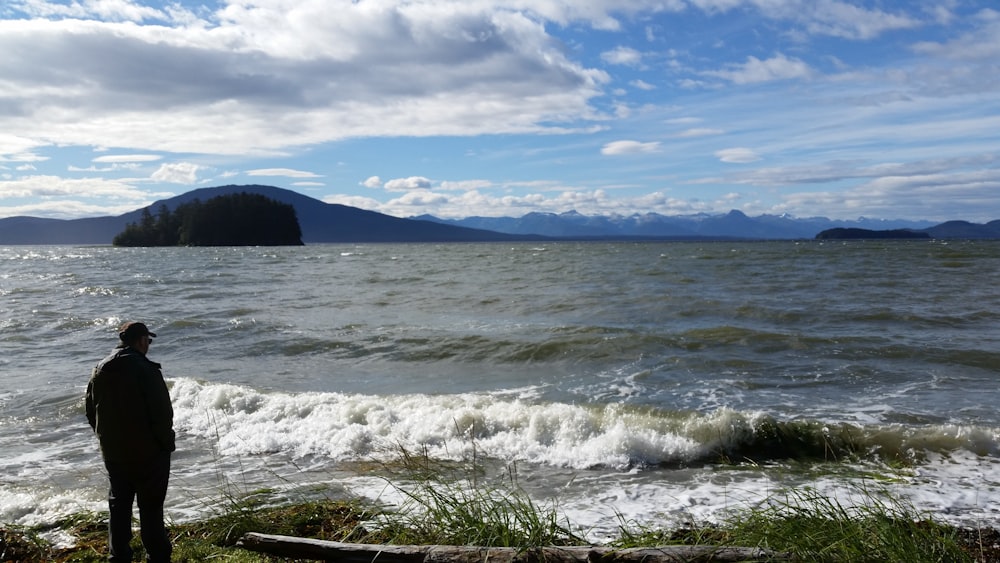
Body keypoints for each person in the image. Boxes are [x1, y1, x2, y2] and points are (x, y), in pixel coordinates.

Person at [86, 322, 175, 562]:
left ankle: (119, 556)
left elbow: (90, 411)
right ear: (141, 340)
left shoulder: (100, 369)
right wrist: (166, 444)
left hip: (114, 453)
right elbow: (162, 414)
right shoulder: (146, 369)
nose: (149, 345)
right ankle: (157, 556)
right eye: (149, 340)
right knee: (151, 507)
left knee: (119, 505)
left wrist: (106, 440)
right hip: (149, 454)